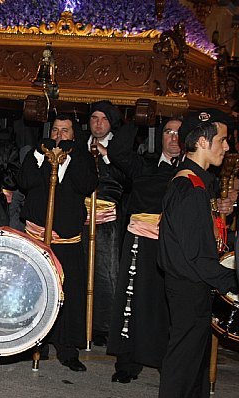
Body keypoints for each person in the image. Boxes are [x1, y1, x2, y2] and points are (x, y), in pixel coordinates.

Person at [156, 109, 238, 398]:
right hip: (188, 288)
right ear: (203, 141)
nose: (227, 147)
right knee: (181, 366)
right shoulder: (188, 188)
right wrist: (232, 279)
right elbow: (194, 258)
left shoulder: (197, 185)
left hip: (192, 285)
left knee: (196, 364)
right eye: (222, 140)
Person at [16, 114, 98, 371]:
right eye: (55, 130)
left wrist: (68, 159)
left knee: (68, 293)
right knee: (35, 291)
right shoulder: (36, 156)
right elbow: (24, 182)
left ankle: (67, 348)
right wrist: (41, 158)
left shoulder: (82, 158)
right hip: (38, 236)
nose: (59, 135)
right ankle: (33, 342)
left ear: (74, 135)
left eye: (65, 131)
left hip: (67, 239)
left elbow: (87, 184)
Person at [106, 119, 182, 383]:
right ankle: (127, 362)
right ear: (160, 137)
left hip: (173, 243)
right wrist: (138, 121)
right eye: (168, 132)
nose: (173, 138)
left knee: (167, 301)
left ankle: (165, 359)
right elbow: (116, 152)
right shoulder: (144, 165)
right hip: (139, 239)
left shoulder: (190, 171)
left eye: (179, 133)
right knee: (132, 298)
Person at [82, 101, 128, 347]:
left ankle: (105, 326)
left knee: (106, 273)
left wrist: (107, 156)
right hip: (80, 216)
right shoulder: (80, 144)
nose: (97, 123)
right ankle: (82, 321)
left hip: (108, 219)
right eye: (94, 118)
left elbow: (128, 178)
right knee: (80, 270)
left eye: (103, 119)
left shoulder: (121, 147)